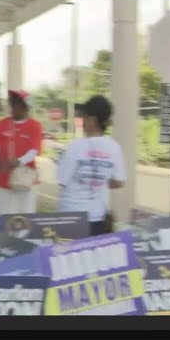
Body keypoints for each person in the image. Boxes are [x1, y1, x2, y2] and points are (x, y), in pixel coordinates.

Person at [57, 95, 126, 236]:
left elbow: (62, 180)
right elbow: (120, 181)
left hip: (70, 216)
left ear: (92, 120)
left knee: (68, 257)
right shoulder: (114, 147)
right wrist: (99, 180)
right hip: (97, 217)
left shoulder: (75, 147)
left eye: (84, 117)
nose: (82, 121)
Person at [0, 90, 43, 215]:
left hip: (25, 180)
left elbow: (34, 150)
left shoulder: (34, 125)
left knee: (25, 216)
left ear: (26, 107)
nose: (14, 106)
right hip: (4, 180)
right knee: (4, 216)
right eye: (12, 103)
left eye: (18, 103)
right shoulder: (1, 124)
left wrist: (19, 161)